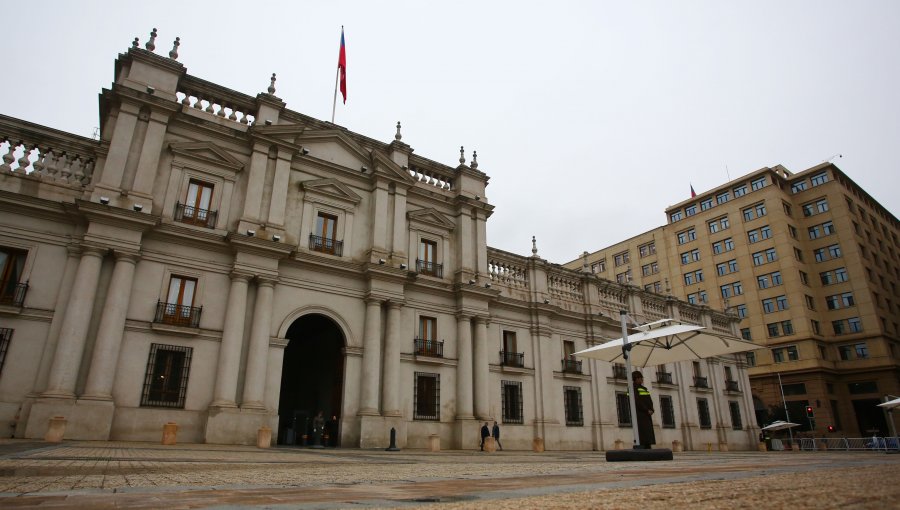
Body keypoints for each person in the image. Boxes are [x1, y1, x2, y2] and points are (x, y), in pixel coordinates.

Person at [632, 370, 656, 449]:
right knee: (642, 433)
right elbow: (637, 401)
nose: (642, 379)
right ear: (636, 378)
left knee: (648, 433)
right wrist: (646, 410)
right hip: (640, 414)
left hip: (647, 414)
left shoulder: (644, 388)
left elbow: (649, 400)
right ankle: (643, 447)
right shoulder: (632, 389)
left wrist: (652, 409)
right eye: (640, 378)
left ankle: (648, 446)